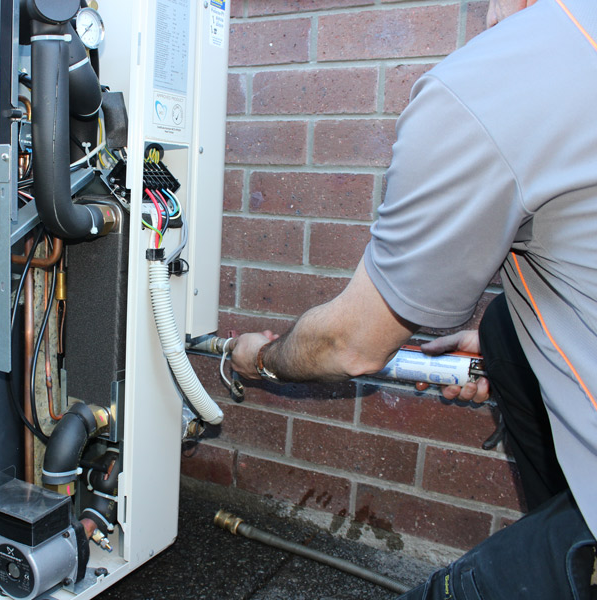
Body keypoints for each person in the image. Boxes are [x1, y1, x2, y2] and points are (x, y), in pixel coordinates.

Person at [230, 0, 597, 595]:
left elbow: (350, 346)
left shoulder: (493, 82)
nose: (488, 18)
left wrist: (261, 358)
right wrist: (515, 348)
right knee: (503, 332)